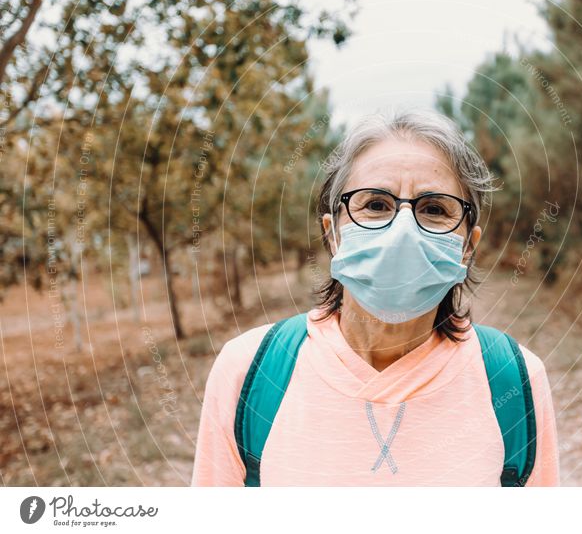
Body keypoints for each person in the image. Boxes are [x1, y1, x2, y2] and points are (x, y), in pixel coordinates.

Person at [191, 108, 559, 486]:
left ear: (467, 246)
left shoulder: (515, 381)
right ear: (332, 232)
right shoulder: (248, 373)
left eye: (434, 209)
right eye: (375, 204)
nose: (402, 230)